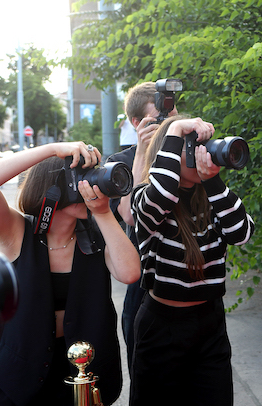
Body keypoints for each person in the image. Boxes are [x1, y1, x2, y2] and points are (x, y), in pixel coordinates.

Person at [0, 142, 141, 406]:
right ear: (53, 186)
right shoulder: (17, 230)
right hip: (13, 369)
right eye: (79, 177)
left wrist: (101, 212)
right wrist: (53, 150)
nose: (90, 185)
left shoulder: (96, 235)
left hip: (71, 375)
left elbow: (130, 274)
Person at [128, 114, 254, 406]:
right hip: (161, 327)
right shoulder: (144, 199)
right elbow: (159, 199)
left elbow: (241, 233)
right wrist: (172, 131)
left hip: (209, 325)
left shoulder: (213, 199)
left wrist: (212, 181)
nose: (201, 153)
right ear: (169, 154)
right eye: (192, 147)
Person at [107, 81, 178, 368]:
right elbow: (130, 216)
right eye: (160, 118)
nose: (170, 123)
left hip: (189, 280)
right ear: (136, 122)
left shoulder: (185, 155)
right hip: (145, 284)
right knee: (147, 385)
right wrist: (142, 153)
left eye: (172, 116)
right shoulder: (120, 163)